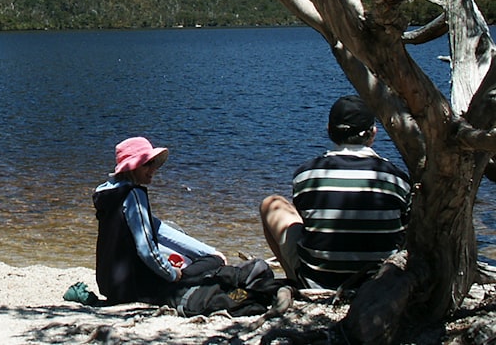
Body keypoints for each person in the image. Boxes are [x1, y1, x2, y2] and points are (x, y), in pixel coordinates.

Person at [260, 94, 412, 291]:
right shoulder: (397, 178)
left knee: (271, 203)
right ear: (373, 133)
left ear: (329, 131)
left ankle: (297, 280)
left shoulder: (306, 175)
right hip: (379, 284)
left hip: (319, 283)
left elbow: (308, 218)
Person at [93, 135, 227, 305]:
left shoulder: (108, 195)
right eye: (147, 164)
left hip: (110, 286)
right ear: (132, 168)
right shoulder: (134, 194)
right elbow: (145, 249)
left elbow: (161, 229)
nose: (153, 169)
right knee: (214, 262)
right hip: (134, 289)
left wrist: (208, 250)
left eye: (154, 163)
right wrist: (171, 273)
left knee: (180, 238)